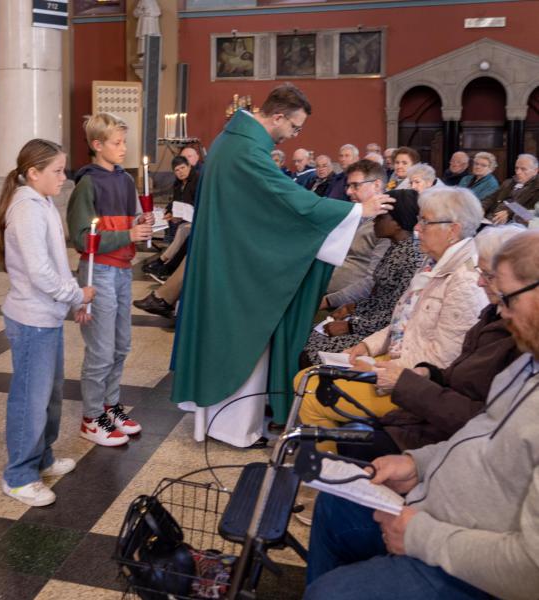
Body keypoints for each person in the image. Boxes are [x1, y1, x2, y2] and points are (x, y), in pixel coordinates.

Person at [304, 231, 539, 600]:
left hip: (474, 556)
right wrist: (418, 465)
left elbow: (530, 570)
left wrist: (418, 535)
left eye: (506, 295)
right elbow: (480, 432)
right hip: (440, 507)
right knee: (336, 505)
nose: (502, 309)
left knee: (329, 593)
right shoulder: (526, 362)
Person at [170, 84, 391, 448]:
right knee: (245, 337)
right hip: (240, 268)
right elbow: (285, 200)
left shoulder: (234, 142)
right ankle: (235, 428)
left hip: (231, 256)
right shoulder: (246, 150)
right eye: (295, 127)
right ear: (277, 116)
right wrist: (354, 210)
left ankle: (225, 422)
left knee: (233, 337)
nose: (293, 136)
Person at [297, 186, 488, 438]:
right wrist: (367, 346)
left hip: (418, 383)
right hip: (399, 360)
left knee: (310, 393)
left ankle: (333, 468)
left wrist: (377, 366)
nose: (417, 228)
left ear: (453, 230)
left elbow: (444, 361)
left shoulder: (465, 281)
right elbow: (403, 317)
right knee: (305, 377)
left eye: (425, 222)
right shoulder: (432, 262)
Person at [340, 224, 523, 460]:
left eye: (488, 275)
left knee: (334, 420)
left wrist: (406, 381)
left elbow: (482, 420)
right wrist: (428, 374)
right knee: (345, 432)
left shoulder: (515, 335)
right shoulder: (492, 313)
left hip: (448, 441)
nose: (479, 283)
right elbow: (403, 321)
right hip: (428, 413)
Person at [0, 139, 93, 506]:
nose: (63, 177)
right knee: (30, 398)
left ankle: (43, 457)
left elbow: (53, 262)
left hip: (46, 315)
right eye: (57, 170)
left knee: (49, 395)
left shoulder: (42, 202)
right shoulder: (27, 209)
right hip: (31, 317)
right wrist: (76, 295)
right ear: (33, 173)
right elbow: (40, 272)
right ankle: (18, 475)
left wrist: (70, 297)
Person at [67, 112, 152, 446]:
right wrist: (128, 232)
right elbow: (80, 237)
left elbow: (130, 221)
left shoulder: (126, 180)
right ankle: (91, 417)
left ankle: (110, 405)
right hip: (98, 270)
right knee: (100, 350)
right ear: (96, 145)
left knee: (121, 344)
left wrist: (143, 222)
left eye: (124, 142)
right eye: (117, 143)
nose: (123, 148)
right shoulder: (88, 183)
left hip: (122, 269)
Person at [305, 189, 424, 367]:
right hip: (368, 320)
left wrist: (351, 326)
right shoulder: (396, 247)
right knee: (305, 337)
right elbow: (380, 297)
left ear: (398, 223)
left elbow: (396, 313)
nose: (374, 221)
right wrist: (352, 308)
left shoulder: (411, 257)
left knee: (308, 352)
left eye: (380, 217)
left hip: (379, 333)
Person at [322, 160, 394, 301]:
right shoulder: (353, 214)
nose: (348, 192)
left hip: (345, 305)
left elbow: (373, 282)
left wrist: (328, 301)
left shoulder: (388, 224)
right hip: (324, 291)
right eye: (348, 186)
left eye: (355, 185)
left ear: (377, 185)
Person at [144, 155, 197, 280]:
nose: (181, 172)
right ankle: (163, 263)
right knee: (177, 227)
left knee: (183, 230)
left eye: (183, 168)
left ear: (189, 166)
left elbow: (197, 202)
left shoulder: (197, 180)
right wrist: (169, 211)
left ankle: (162, 262)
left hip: (197, 218)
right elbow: (175, 201)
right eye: (177, 170)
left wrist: (183, 214)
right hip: (186, 219)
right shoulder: (178, 184)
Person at [480, 153, 539, 224]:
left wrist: (509, 213)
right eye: (516, 168)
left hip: (514, 226)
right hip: (489, 220)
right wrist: (482, 208)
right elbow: (491, 198)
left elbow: (531, 216)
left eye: (523, 169)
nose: (518, 172)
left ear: (535, 171)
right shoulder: (508, 182)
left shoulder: (537, 188)